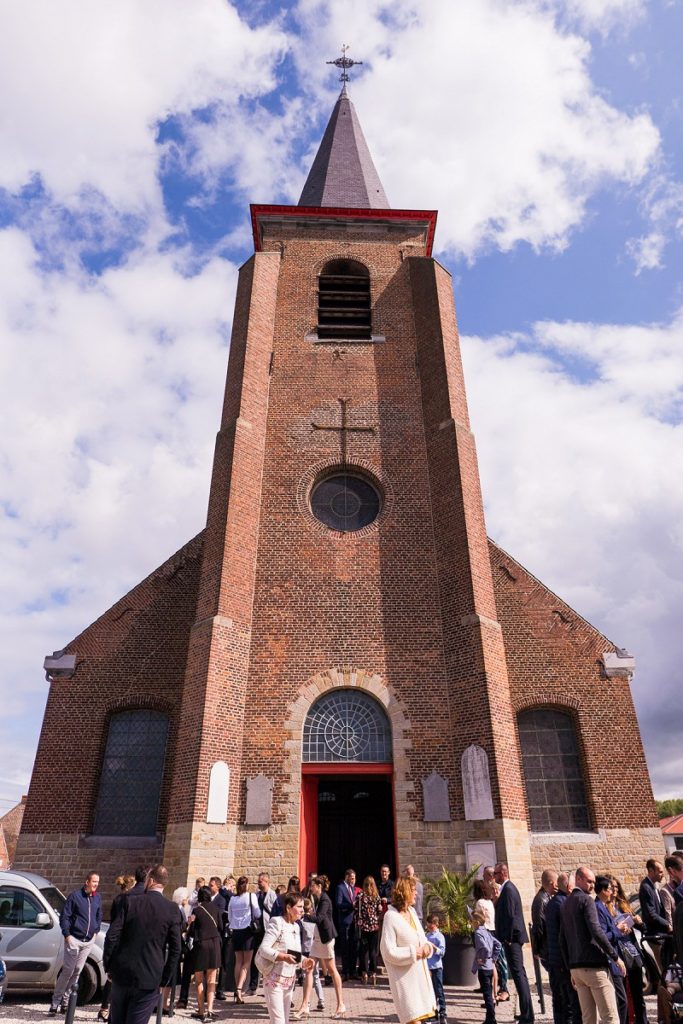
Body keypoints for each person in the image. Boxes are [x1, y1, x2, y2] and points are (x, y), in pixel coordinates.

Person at [103, 864, 182, 1024]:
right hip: (150, 976)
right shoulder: (172, 909)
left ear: (151, 881)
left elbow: (112, 936)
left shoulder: (130, 902)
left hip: (122, 972)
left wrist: (109, 965)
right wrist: (164, 978)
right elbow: (176, 949)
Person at [559, 865, 624, 1024]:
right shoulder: (586, 900)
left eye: (594, 882)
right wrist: (615, 957)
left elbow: (562, 939)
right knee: (610, 1017)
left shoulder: (566, 903)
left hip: (577, 969)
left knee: (588, 1019)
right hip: (593, 967)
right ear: (578, 879)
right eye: (589, 881)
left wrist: (570, 968)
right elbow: (597, 931)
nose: (592, 885)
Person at [380, 875, 435, 1024]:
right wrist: (414, 953)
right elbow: (387, 951)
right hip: (405, 983)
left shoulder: (412, 912)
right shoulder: (390, 917)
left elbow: (422, 939)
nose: (416, 893)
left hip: (420, 982)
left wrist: (427, 947)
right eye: (412, 890)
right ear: (404, 892)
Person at [256, 891, 314, 1024]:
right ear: (288, 908)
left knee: (284, 1021)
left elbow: (294, 955)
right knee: (279, 1021)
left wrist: (305, 961)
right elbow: (263, 949)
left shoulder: (296, 927)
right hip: (274, 981)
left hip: (289, 983)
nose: (302, 910)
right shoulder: (276, 922)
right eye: (299, 907)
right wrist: (282, 957)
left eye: (302, 907)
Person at [49, 871, 102, 1014]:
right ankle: (55, 1002)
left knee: (77, 971)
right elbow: (65, 917)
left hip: (88, 941)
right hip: (74, 939)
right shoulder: (75, 896)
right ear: (87, 882)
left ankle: (65, 1002)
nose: (96, 884)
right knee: (68, 970)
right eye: (94, 881)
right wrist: (67, 936)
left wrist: (95, 933)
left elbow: (98, 916)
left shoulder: (97, 898)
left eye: (97, 882)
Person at [493, 862, 534, 1024]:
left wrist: (508, 939)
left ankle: (528, 1015)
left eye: (496, 873)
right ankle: (525, 1012)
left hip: (513, 940)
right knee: (518, 975)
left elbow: (510, 916)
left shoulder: (509, 890)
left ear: (503, 873)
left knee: (519, 975)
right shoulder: (506, 889)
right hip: (511, 939)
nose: (494, 877)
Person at [606, 875, 648, 1024]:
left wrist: (638, 922)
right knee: (622, 995)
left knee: (638, 994)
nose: (615, 890)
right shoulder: (605, 908)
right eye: (612, 887)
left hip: (632, 951)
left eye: (617, 887)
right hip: (618, 953)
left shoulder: (623, 904)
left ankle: (642, 1021)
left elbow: (641, 927)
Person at [544, 872, 580, 1024]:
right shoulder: (563, 904)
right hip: (562, 960)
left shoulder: (553, 902)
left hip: (554, 958)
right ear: (569, 886)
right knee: (570, 1001)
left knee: (559, 1000)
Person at [98, 875, 135, 1021]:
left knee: (112, 978)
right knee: (113, 979)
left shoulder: (119, 899)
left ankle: (105, 1008)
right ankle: (106, 1008)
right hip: (120, 940)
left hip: (118, 940)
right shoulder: (124, 900)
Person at [309, 875, 345, 1017]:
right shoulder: (318, 899)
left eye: (312, 885)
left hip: (326, 939)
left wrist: (304, 915)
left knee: (332, 970)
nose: (311, 887)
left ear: (319, 887)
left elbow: (319, 918)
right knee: (309, 968)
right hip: (318, 939)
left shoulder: (324, 899)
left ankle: (340, 1004)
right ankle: (305, 1005)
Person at [594, 876, 629, 1024]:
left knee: (622, 1000)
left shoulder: (604, 906)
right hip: (610, 960)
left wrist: (621, 930)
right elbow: (602, 936)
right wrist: (617, 930)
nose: (613, 892)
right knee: (620, 1001)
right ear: (603, 891)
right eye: (610, 889)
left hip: (615, 957)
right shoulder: (598, 907)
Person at [186, 885, 222, 1021]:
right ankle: (210, 1010)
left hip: (201, 945)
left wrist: (190, 923)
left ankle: (201, 1010)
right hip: (214, 944)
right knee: (212, 980)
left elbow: (192, 931)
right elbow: (220, 926)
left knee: (199, 980)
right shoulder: (216, 909)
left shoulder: (197, 910)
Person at [473, 878, 508, 1002]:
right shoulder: (489, 902)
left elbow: (478, 919)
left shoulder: (480, 903)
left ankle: (492, 996)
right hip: (494, 931)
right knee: (496, 963)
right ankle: (498, 991)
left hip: (486, 932)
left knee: (489, 965)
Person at [227, 875, 261, 1002]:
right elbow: (257, 913)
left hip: (236, 932)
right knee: (246, 963)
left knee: (238, 962)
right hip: (247, 931)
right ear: (246, 885)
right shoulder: (251, 897)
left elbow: (230, 917)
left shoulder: (232, 899)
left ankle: (237, 988)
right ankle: (239, 989)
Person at [293, 897, 325, 1018]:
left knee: (300, 976)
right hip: (313, 950)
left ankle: (302, 1001)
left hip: (303, 952)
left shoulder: (300, 922)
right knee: (315, 976)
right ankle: (321, 999)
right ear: (311, 908)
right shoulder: (314, 921)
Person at [639, 859, 671, 971]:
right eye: (660, 872)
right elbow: (651, 914)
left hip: (662, 934)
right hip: (656, 936)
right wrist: (668, 924)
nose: (662, 874)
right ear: (651, 871)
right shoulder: (645, 887)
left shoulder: (654, 886)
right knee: (664, 969)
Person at [249, 871, 278, 995]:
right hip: (257, 931)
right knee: (256, 957)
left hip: (268, 931)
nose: (258, 884)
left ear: (266, 882)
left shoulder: (272, 896)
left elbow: (275, 912)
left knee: (269, 958)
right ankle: (253, 986)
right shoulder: (256, 895)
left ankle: (269, 984)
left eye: (260, 881)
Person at [471, 908, 501, 1024]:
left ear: (476, 922)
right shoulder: (487, 932)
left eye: (472, 921)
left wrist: (483, 958)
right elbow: (497, 945)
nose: (470, 923)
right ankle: (490, 1018)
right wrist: (493, 958)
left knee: (487, 995)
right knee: (488, 993)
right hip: (489, 966)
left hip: (483, 967)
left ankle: (491, 1019)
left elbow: (485, 948)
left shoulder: (478, 933)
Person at [354, 875, 381, 984]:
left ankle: (364, 972)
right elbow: (379, 911)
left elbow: (356, 910)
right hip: (374, 927)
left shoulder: (360, 896)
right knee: (373, 950)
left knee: (364, 950)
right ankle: (373, 973)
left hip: (364, 927)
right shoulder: (376, 896)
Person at [335, 869, 360, 981]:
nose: (354, 880)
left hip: (354, 922)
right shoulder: (340, 888)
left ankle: (353, 971)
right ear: (347, 877)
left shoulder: (353, 889)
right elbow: (338, 904)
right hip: (345, 922)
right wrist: (351, 905)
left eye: (354, 878)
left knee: (354, 947)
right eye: (352, 878)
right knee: (345, 948)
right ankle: (345, 972)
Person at [530, 869, 558, 968]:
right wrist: (537, 949)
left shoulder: (548, 897)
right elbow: (539, 925)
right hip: (547, 948)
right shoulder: (541, 900)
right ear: (552, 883)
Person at [425, 913, 447, 1024]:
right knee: (430, 991)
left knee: (439, 990)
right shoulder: (427, 936)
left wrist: (434, 947)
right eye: (428, 925)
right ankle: (432, 1013)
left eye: (431, 925)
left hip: (437, 967)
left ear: (435, 924)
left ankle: (442, 1012)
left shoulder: (439, 937)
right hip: (428, 968)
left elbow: (442, 953)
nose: (429, 927)